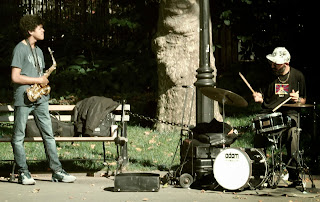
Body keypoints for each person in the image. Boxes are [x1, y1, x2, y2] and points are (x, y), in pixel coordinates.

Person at [10, 15, 76, 185]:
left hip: (40, 98)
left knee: (49, 135)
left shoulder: (39, 51)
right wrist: (38, 81)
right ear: (30, 30)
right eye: (40, 28)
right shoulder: (20, 49)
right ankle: (23, 173)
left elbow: (38, 75)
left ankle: (57, 171)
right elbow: (15, 77)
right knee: (18, 137)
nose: (43, 30)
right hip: (24, 98)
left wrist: (43, 81)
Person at [252, 47, 306, 186]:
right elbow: (262, 97)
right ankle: (260, 173)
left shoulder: (298, 76)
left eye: (276, 64)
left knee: (293, 133)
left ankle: (294, 174)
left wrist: (297, 99)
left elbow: (303, 100)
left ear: (286, 64)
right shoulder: (268, 77)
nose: (272, 66)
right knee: (258, 131)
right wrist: (259, 98)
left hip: (289, 115)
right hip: (269, 113)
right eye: (272, 63)